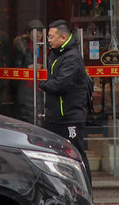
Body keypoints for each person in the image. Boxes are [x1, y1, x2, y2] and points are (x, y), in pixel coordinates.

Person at [39, 19, 90, 180]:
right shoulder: (55, 53)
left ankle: (86, 192)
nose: (48, 40)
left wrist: (42, 84)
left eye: (51, 37)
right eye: (48, 36)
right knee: (50, 154)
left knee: (76, 155)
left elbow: (60, 84)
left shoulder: (72, 57)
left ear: (63, 37)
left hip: (70, 117)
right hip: (54, 116)